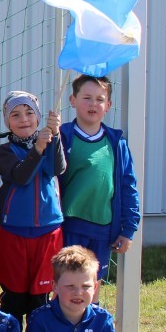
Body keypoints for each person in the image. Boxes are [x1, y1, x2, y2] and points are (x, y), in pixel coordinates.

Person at [58, 75, 140, 299]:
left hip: (102, 228)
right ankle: (63, 331)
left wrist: (128, 229)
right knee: (66, 284)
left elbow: (127, 186)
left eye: (99, 99)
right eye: (87, 97)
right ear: (73, 100)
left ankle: (89, 330)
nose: (93, 104)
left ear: (108, 106)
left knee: (91, 285)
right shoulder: (63, 137)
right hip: (70, 225)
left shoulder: (116, 143)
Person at [0, 91, 66, 327]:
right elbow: (20, 176)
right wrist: (38, 149)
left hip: (47, 232)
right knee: (14, 299)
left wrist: (56, 136)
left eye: (29, 112)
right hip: (14, 232)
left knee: (39, 300)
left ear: (38, 117)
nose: (23, 118)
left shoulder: (48, 142)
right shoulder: (3, 152)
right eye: (15, 114)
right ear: (7, 122)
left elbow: (57, 168)